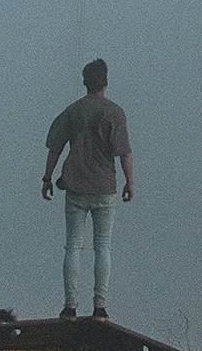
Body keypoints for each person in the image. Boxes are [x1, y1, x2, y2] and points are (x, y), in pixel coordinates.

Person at [42, 58, 133, 322]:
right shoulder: (115, 113)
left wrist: (47, 178)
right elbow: (124, 153)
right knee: (102, 247)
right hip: (105, 188)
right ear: (105, 82)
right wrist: (130, 182)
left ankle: (70, 306)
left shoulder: (72, 111)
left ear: (85, 82)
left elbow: (55, 147)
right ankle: (100, 307)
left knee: (73, 246)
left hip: (76, 187)